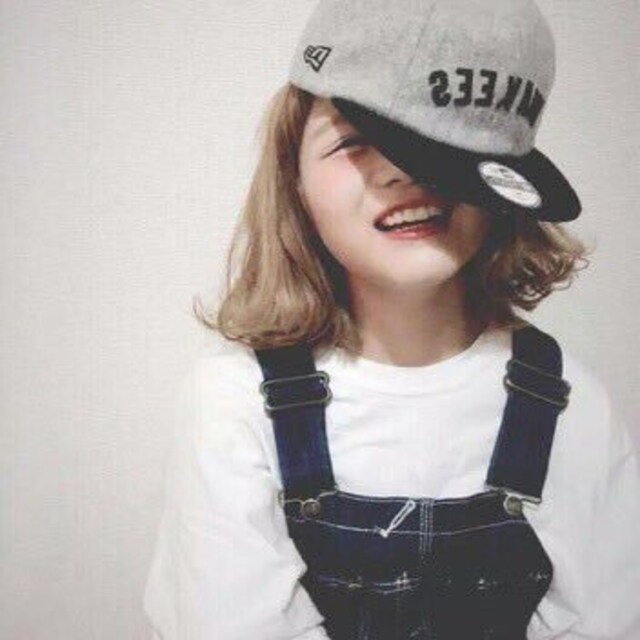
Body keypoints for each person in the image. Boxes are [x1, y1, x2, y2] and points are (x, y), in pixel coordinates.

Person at [142, 0, 640, 638]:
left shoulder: (573, 408)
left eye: (448, 148)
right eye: (354, 141)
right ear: (293, 175)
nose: (405, 174)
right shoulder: (233, 402)